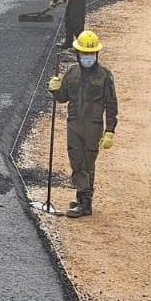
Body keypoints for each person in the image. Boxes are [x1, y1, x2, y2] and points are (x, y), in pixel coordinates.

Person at [47, 30, 117, 218]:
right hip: (74, 124)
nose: (88, 57)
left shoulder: (104, 75)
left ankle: (84, 201)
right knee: (77, 161)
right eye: (85, 54)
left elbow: (111, 105)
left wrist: (110, 130)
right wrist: (54, 88)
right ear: (78, 54)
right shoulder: (72, 73)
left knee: (87, 163)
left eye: (91, 53)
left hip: (93, 126)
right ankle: (83, 199)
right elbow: (63, 97)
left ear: (97, 54)